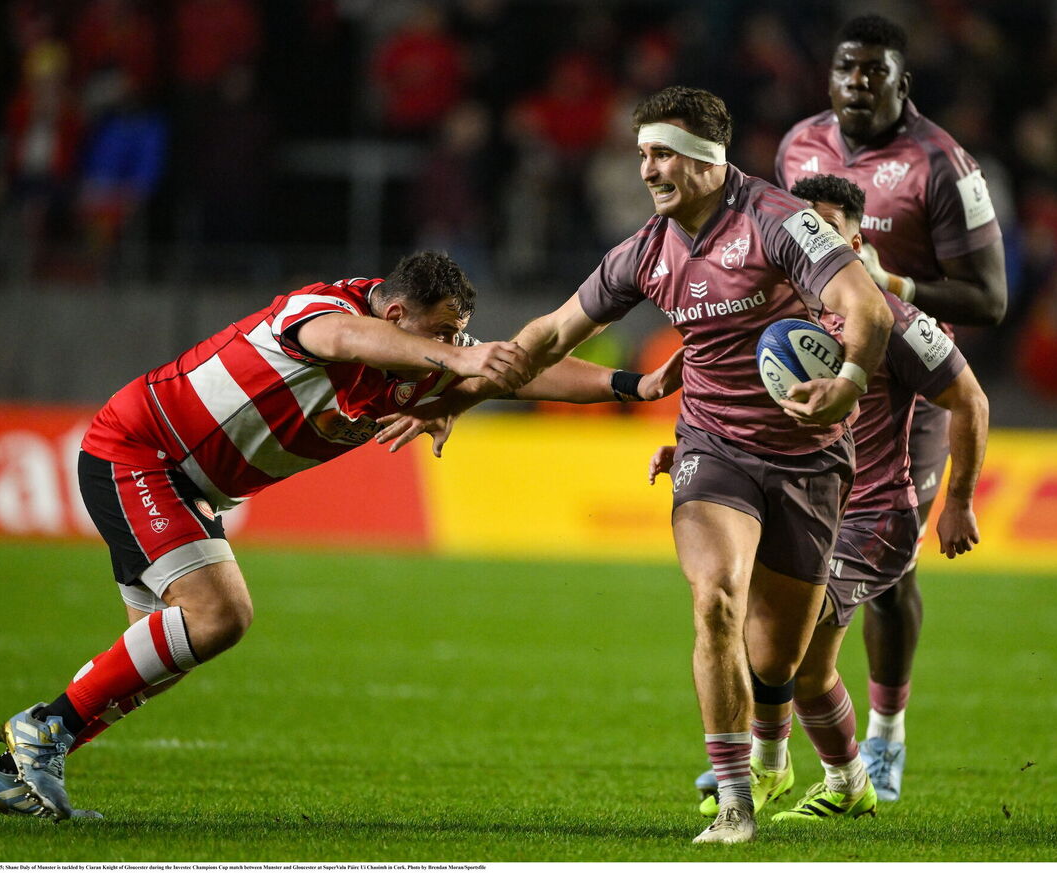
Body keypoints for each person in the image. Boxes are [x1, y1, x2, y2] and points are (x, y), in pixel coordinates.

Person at [0, 250, 684, 820]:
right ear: (396, 312)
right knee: (220, 615)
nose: (450, 347)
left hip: (187, 483)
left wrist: (634, 387)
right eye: (440, 335)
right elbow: (345, 338)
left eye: (456, 336)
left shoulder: (419, 355)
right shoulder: (321, 310)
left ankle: (9, 772)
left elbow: (522, 373)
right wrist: (460, 361)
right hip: (140, 451)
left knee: (158, 655)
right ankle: (41, 729)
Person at [376, 86, 895, 845]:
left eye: (664, 154)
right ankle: (735, 801)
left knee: (775, 658)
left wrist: (846, 384)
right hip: (712, 448)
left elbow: (867, 306)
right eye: (643, 153)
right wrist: (465, 393)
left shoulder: (779, 222)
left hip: (809, 461)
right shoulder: (646, 252)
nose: (648, 169)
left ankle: (812, 763)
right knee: (715, 597)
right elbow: (550, 335)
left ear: (707, 160)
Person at [684, 174, 989, 823]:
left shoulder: (890, 317)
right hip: (810, 504)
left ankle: (790, 768)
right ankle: (831, 777)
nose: (809, 244)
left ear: (854, 242)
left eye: (825, 231)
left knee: (791, 643)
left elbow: (971, 399)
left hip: (875, 515)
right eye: (801, 231)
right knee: (787, 650)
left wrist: (959, 500)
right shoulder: (775, 311)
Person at [774, 13, 1006, 801]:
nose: (858, 82)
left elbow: (990, 298)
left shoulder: (943, 165)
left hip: (911, 379)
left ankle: (883, 738)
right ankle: (767, 747)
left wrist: (888, 285)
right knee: (792, 558)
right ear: (829, 75)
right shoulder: (798, 146)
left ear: (904, 82)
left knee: (885, 565)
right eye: (847, 67)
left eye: (875, 70)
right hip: (818, 367)